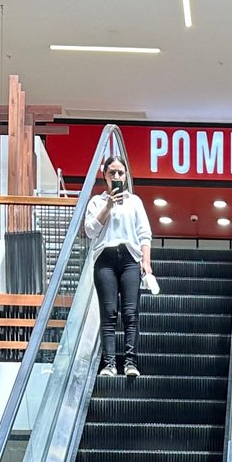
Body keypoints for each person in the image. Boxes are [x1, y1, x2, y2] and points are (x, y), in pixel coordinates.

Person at [84, 154, 157, 379]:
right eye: (112, 173)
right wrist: (108, 206)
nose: (116, 176)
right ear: (104, 176)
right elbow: (90, 231)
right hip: (105, 258)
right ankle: (108, 364)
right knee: (108, 313)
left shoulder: (135, 202)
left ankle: (130, 362)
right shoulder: (97, 202)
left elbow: (145, 233)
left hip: (129, 259)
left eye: (120, 173)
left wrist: (146, 262)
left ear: (126, 176)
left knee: (130, 312)